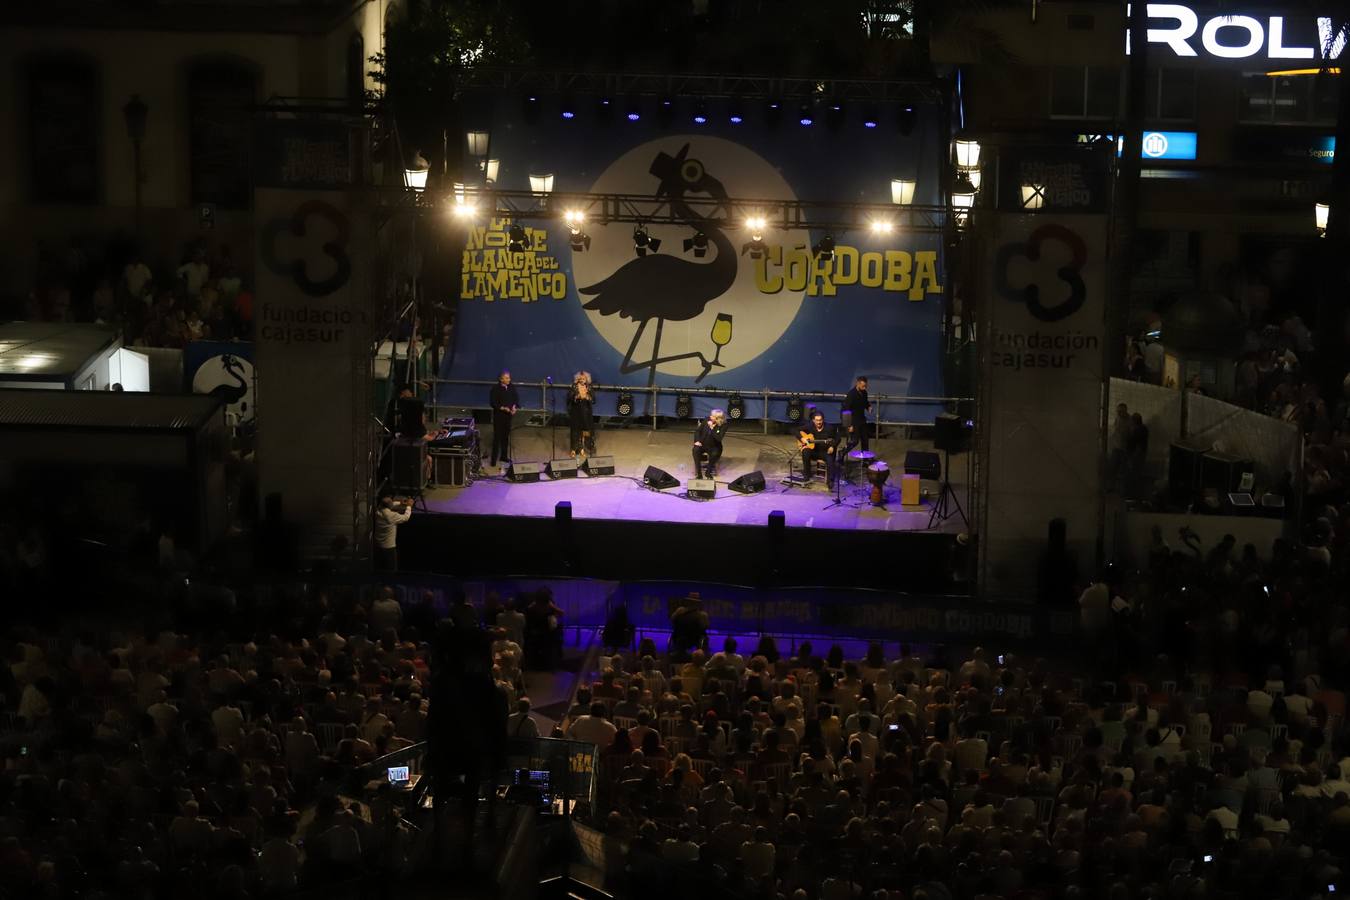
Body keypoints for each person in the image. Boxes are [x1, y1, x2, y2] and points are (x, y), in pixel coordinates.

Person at [799, 410, 838, 488]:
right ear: (813, 420)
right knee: (805, 452)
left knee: (830, 459)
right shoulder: (810, 426)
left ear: (823, 420)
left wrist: (832, 446)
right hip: (814, 451)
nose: (819, 422)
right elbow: (795, 430)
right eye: (817, 420)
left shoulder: (829, 428)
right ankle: (806, 475)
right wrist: (801, 438)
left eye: (820, 420)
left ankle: (830, 481)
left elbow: (838, 437)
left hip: (825, 452)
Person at [489, 370, 519, 468]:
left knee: (505, 437)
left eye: (509, 377)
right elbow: (493, 402)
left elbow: (515, 398)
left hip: (508, 416)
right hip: (499, 416)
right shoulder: (495, 388)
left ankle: (504, 456)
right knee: (497, 438)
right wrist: (503, 408)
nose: (508, 379)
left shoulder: (511, 387)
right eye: (506, 378)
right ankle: (493, 459)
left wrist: (514, 407)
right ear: (501, 379)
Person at [374, 496, 412, 571]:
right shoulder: (392, 515)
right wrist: (409, 506)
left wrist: (401, 503)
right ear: (389, 505)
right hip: (389, 547)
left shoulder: (378, 511)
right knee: (391, 569)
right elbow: (405, 517)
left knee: (380, 569)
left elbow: (387, 505)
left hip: (377, 545)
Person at [692, 408, 728, 479]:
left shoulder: (724, 425)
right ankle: (699, 474)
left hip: (714, 446)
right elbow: (698, 431)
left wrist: (712, 428)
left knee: (715, 454)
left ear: (718, 418)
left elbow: (719, 438)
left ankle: (708, 472)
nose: (710, 417)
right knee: (695, 450)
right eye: (711, 415)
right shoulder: (706, 419)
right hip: (702, 443)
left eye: (712, 416)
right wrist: (697, 441)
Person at [568, 371, 596, 458]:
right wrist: (577, 397)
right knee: (575, 431)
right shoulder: (574, 386)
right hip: (576, 411)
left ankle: (583, 449)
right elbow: (570, 398)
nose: (582, 380)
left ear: (587, 379)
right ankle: (574, 449)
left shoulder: (589, 387)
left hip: (586, 412)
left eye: (583, 378)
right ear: (577, 379)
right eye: (580, 378)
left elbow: (594, 399)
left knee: (585, 431)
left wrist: (588, 397)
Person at [843, 375, 872, 452]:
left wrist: (868, 407)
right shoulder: (851, 395)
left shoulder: (864, 393)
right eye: (863, 386)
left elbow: (865, 402)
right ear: (858, 384)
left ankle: (865, 459)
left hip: (862, 420)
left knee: (865, 440)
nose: (864, 388)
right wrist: (849, 425)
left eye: (865, 386)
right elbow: (846, 410)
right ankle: (842, 452)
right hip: (853, 421)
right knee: (855, 441)